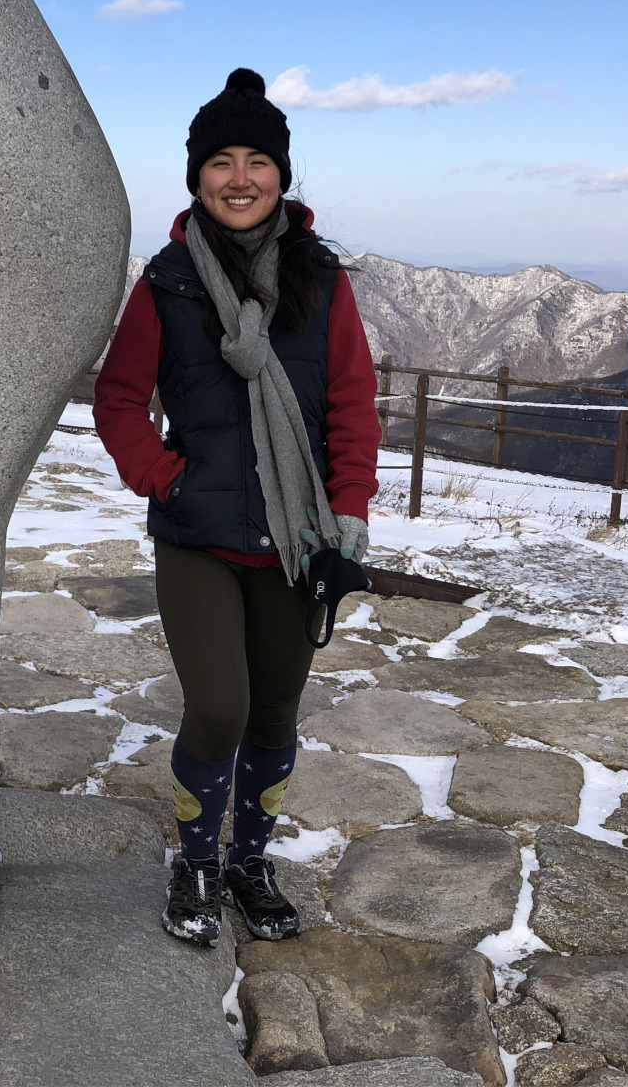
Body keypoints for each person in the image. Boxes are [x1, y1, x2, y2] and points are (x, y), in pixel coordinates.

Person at [94, 68, 380, 946]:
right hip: (198, 537)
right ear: (196, 178)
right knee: (218, 705)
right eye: (222, 161)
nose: (242, 178)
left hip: (296, 542)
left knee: (274, 713)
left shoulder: (323, 283)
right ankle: (197, 859)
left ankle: (250, 860)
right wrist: (166, 477)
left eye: (259, 160)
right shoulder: (169, 284)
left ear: (283, 178)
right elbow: (118, 399)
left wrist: (347, 521)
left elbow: (352, 410)